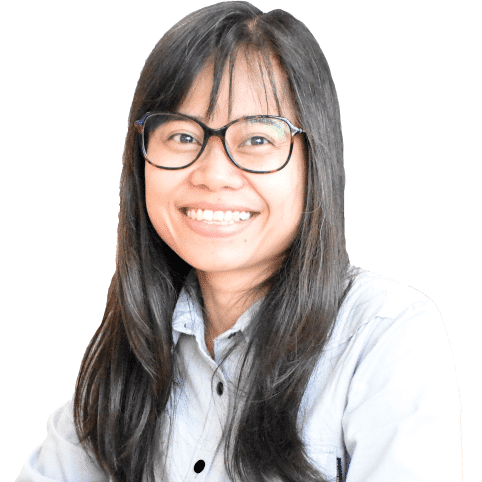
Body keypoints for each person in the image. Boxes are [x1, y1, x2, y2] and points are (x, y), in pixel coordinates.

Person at [16, 2, 462, 481]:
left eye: (257, 140)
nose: (213, 174)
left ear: (316, 161)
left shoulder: (384, 336)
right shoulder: (129, 351)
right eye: (182, 136)